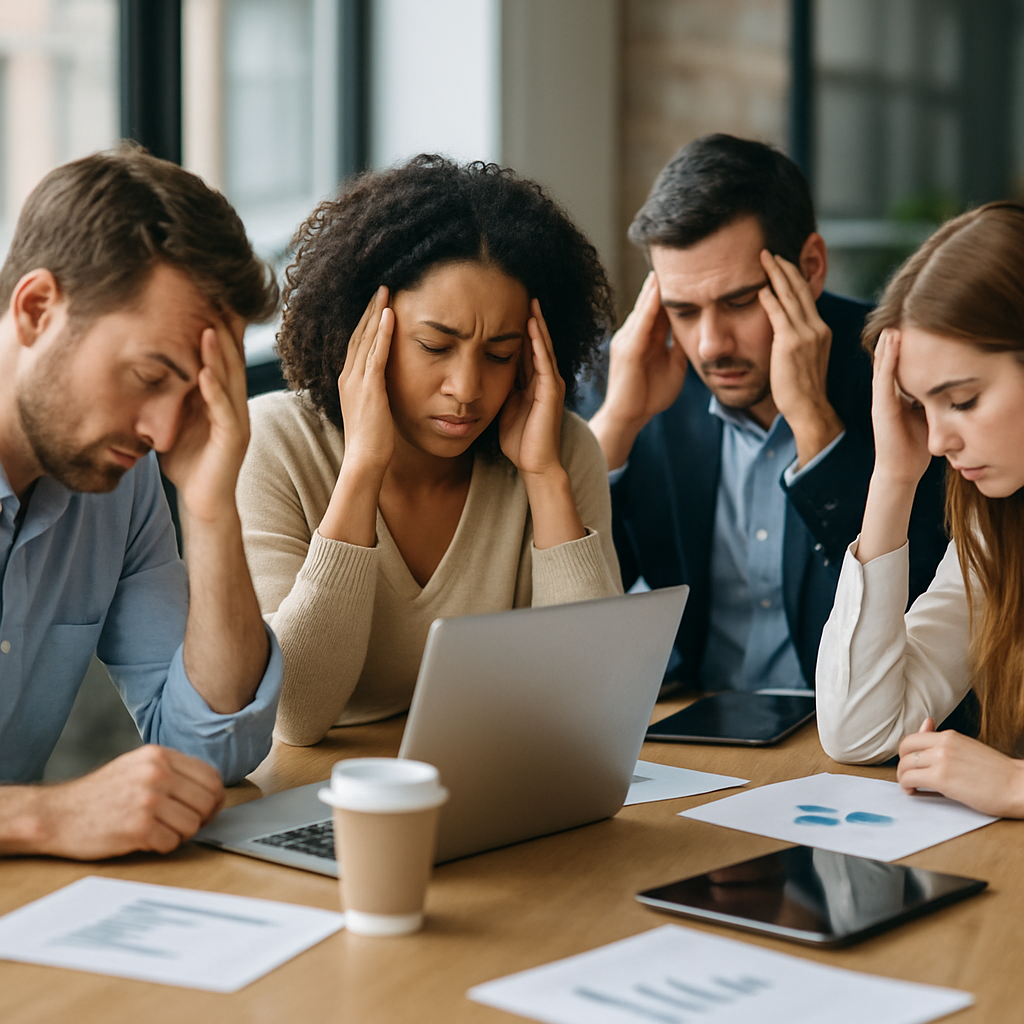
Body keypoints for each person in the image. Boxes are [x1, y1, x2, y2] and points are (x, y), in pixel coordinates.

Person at [238, 155, 622, 746]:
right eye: (434, 345)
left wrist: (544, 477)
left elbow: (594, 698)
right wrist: (362, 467)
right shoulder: (275, 445)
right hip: (322, 797)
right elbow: (294, 713)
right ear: (363, 331)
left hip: (488, 787)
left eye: (499, 355)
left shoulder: (559, 450)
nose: (466, 391)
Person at [586, 134, 948, 692]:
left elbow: (920, 615)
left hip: (846, 742)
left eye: (738, 302)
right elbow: (574, 604)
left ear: (809, 267)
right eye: (682, 310)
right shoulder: (637, 378)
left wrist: (815, 428)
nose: (709, 345)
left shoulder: (901, 377)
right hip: (685, 728)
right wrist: (617, 425)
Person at [0, 146, 284, 859]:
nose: (161, 431)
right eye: (148, 374)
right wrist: (41, 817)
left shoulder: (116, 482)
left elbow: (208, 751)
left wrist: (211, 506)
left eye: (188, 394)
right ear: (37, 310)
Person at [817, 201, 1024, 818]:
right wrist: (893, 479)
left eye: (960, 400)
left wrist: (1016, 784)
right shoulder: (997, 530)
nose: (937, 442)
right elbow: (860, 731)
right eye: (920, 407)